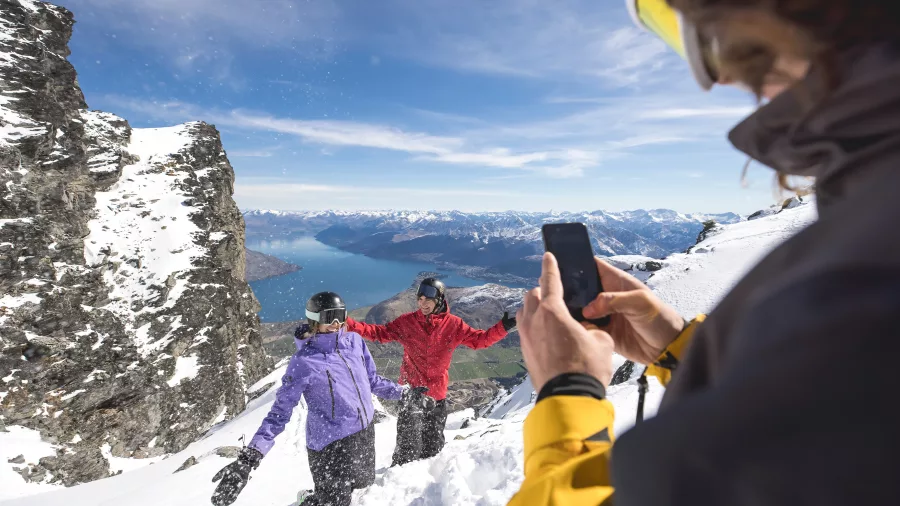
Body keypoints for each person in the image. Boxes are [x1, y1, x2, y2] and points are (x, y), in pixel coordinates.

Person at [509, 0, 900, 505]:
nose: (719, 78)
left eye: (704, 33)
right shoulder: (868, 240)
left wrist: (569, 394)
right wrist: (683, 350)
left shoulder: (860, 274)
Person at [211, 291, 412, 506]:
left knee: (361, 486)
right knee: (333, 502)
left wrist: (405, 394)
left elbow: (373, 381)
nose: (336, 323)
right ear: (314, 320)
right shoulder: (304, 362)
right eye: (328, 317)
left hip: (363, 435)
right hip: (330, 446)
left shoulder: (355, 342)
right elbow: (280, 413)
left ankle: (319, 497)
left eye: (340, 315)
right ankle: (309, 501)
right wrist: (250, 457)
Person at [345, 277, 517, 466]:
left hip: (436, 396)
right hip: (411, 394)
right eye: (420, 299)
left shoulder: (454, 325)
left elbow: (479, 340)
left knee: (432, 450)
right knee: (406, 451)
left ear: (440, 300)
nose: (423, 303)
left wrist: (503, 328)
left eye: (428, 299)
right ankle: (395, 486)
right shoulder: (408, 322)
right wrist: (349, 324)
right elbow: (378, 333)